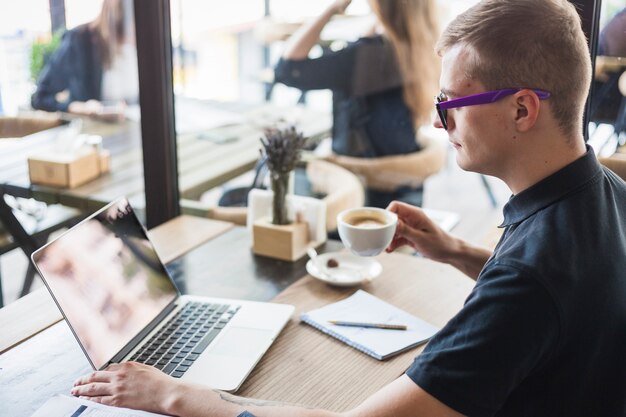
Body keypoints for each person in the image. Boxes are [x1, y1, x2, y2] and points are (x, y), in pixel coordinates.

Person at [71, 0, 626, 416]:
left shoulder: (526, 280)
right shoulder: (602, 192)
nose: (438, 122)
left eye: (451, 103)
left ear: (522, 110)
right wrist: (455, 251)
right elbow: (562, 298)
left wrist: (172, 393)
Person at [274, 0, 440, 208]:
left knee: (296, 175)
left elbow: (287, 69)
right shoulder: (422, 45)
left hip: (362, 194)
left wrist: (332, 9)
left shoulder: (364, 58)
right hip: (406, 190)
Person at [31, 0, 137, 120]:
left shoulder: (148, 46)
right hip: (95, 133)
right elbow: (40, 98)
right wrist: (77, 108)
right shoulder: (80, 40)